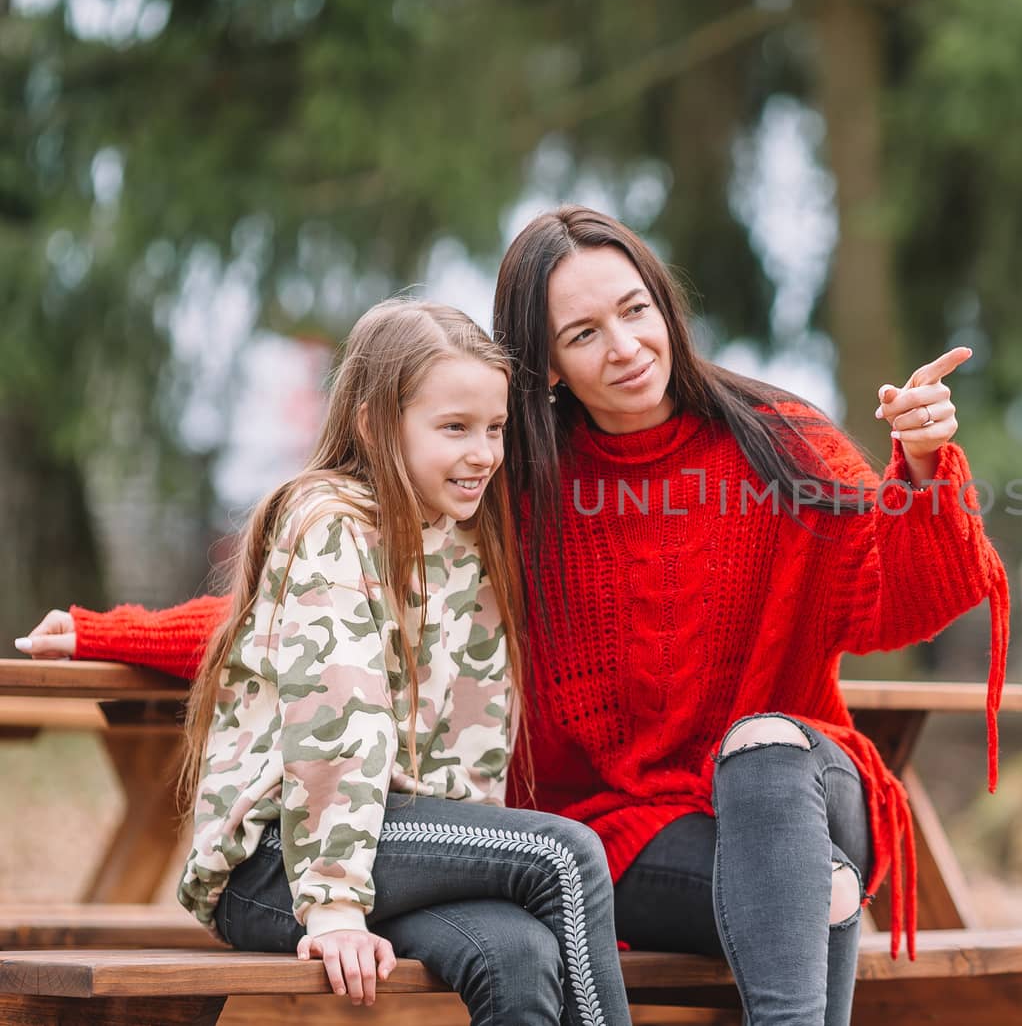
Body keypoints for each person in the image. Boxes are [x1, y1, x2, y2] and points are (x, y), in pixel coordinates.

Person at [21, 207, 1009, 1026]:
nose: (624, 346)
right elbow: (334, 607)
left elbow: (907, 602)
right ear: (543, 364)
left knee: (765, 763)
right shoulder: (516, 492)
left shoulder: (779, 442)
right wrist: (121, 631)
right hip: (639, 834)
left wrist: (920, 471)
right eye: (584, 334)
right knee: (813, 891)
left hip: (795, 782)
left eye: (635, 310)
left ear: (664, 305)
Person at [22, 299, 633, 1026]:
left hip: (394, 846)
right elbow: (335, 711)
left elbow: (248, 631)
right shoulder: (331, 524)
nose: (483, 453)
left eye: (494, 428)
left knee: (520, 955)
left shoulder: (468, 535)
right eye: (455, 428)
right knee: (565, 856)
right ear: (376, 424)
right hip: (283, 860)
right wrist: (335, 901)